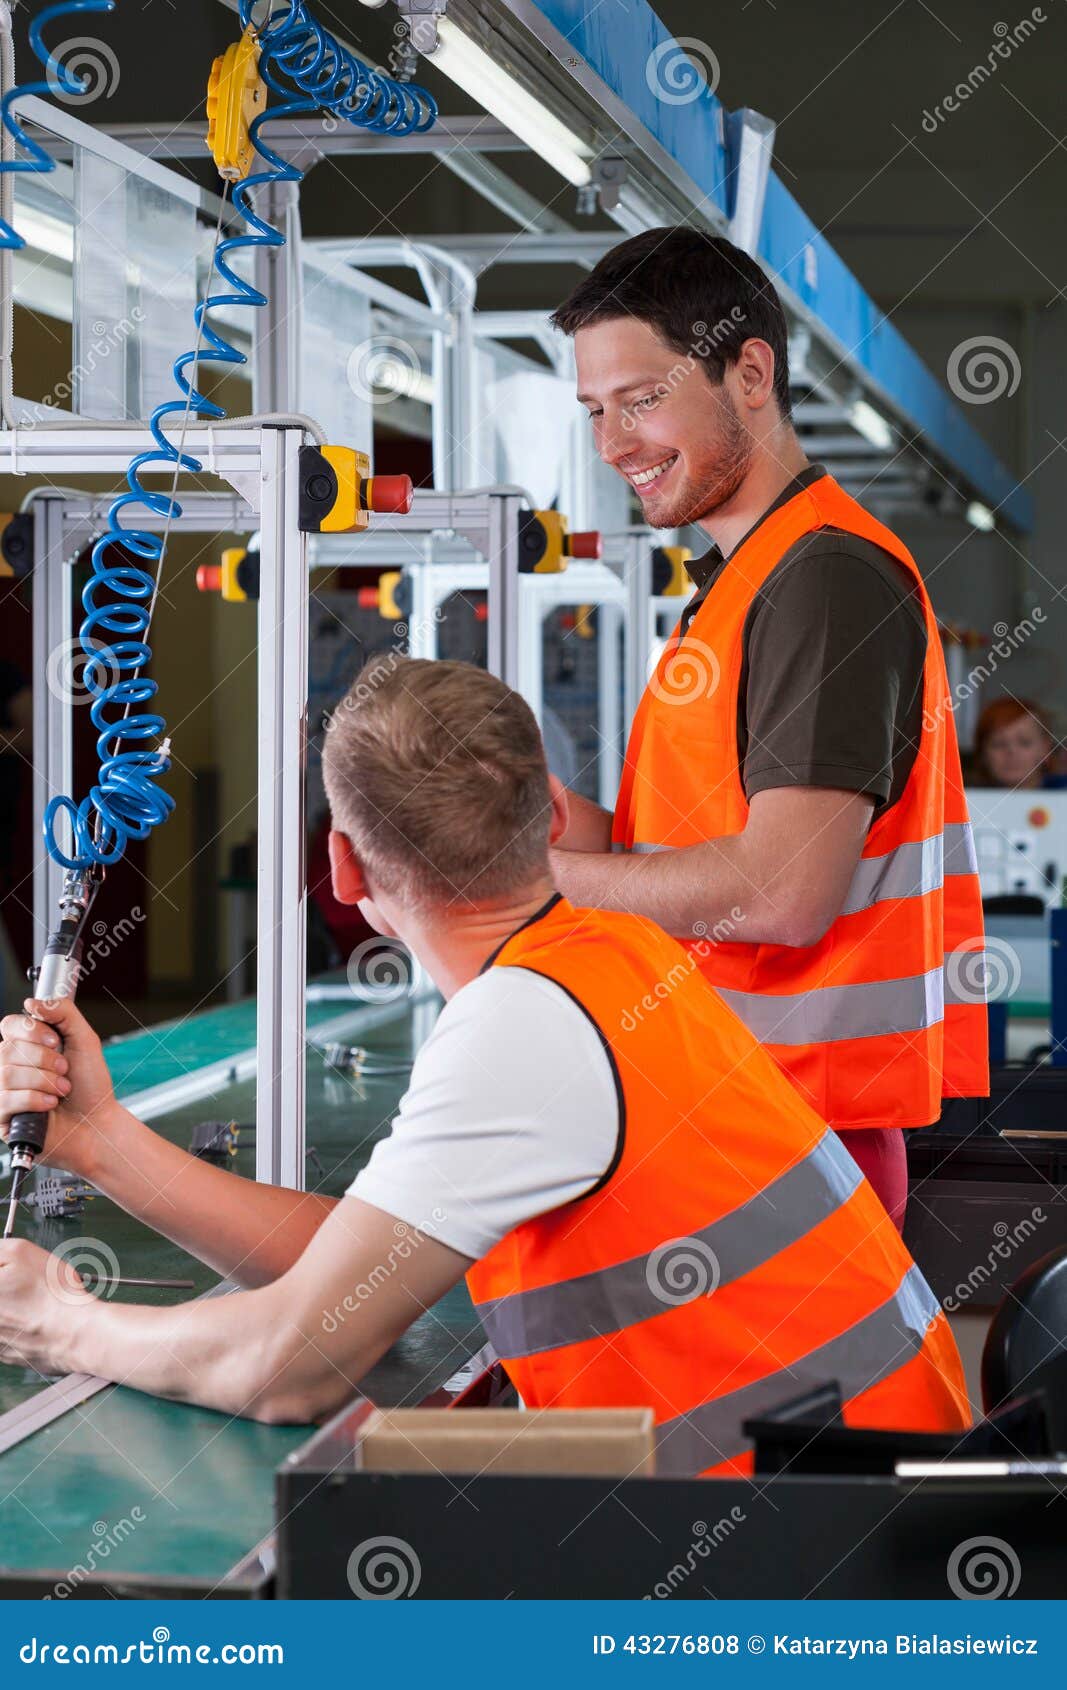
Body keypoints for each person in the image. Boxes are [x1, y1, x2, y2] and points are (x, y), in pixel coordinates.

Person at [0, 657, 970, 1475]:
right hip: (882, 1492)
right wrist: (101, 1143)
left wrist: (58, 1323)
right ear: (552, 815)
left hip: (795, 1559)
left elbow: (282, 1363)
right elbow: (359, 1262)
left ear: (341, 869)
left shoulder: (521, 1025)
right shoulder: (614, 952)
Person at [547, 227, 989, 1228]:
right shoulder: (745, 580)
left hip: (793, 1138)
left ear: (749, 372)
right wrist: (555, 825)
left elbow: (782, 892)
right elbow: (702, 846)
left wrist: (539, 882)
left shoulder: (823, 578)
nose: (613, 444)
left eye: (643, 397)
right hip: (744, 1116)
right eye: (594, 410)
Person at [973, 697, 1066, 790]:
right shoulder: (966, 798)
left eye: (1024, 742)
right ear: (983, 752)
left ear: (1046, 748)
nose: (1011, 751)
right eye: (999, 744)